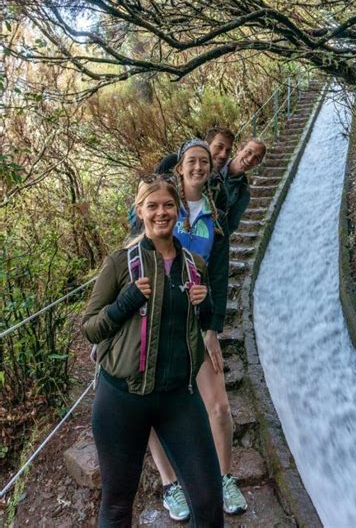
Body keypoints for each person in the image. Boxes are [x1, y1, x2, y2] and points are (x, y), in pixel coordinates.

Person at [82, 176, 223, 528]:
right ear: (140, 211)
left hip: (179, 398)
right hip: (122, 399)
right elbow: (91, 327)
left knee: (208, 505)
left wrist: (205, 309)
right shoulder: (120, 263)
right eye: (153, 206)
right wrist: (126, 302)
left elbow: (201, 322)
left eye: (168, 205)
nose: (162, 212)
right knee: (117, 505)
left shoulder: (195, 265)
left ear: (178, 210)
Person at [148, 139, 248, 520]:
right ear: (180, 166)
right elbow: (134, 246)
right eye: (191, 161)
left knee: (220, 406)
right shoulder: (162, 205)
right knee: (151, 405)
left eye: (204, 162)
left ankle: (223, 476)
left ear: (212, 169)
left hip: (195, 320)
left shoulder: (215, 215)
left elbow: (218, 274)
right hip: (156, 319)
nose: (198, 167)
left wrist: (213, 327)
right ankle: (171, 484)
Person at [220, 138, 267, 235]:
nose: (250, 159)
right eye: (249, 152)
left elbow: (231, 224)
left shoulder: (244, 193)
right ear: (239, 150)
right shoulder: (214, 165)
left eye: (257, 158)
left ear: (258, 164)